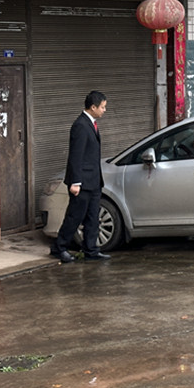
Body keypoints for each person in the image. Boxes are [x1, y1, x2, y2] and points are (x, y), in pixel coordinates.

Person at [51, 90, 111, 263]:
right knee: (75, 216)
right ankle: (59, 247)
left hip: (94, 181)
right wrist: (75, 182)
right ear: (93, 107)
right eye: (102, 107)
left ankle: (91, 249)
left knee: (93, 217)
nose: (104, 110)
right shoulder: (80, 126)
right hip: (82, 182)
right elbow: (76, 156)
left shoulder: (91, 124)